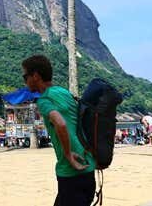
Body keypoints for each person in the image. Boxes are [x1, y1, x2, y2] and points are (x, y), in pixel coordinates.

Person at [22, 55, 95, 206]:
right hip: (87, 167)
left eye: (25, 76)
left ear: (35, 76)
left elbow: (60, 123)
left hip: (70, 171)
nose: (25, 80)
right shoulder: (64, 93)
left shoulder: (44, 100)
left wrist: (68, 155)